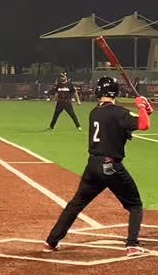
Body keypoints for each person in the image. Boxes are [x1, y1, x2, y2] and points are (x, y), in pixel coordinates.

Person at [43, 75, 152, 257]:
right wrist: (141, 107)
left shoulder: (95, 112)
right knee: (135, 205)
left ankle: (51, 241)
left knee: (76, 204)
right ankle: (132, 244)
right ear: (116, 92)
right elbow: (143, 125)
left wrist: (146, 110)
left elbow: (134, 121)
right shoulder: (119, 113)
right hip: (111, 166)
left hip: (93, 166)